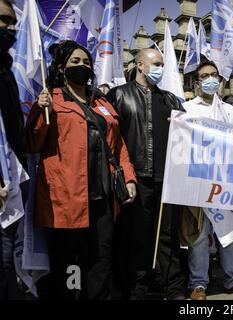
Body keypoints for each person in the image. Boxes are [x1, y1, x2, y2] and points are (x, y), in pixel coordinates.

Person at [26, 40, 137, 299]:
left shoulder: (101, 101)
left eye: (86, 62)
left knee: (101, 258)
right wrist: (42, 114)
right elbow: (32, 143)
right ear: (62, 67)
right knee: (69, 261)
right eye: (75, 62)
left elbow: (118, 146)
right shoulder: (50, 98)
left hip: (103, 196)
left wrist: (129, 178)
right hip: (66, 198)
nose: (82, 66)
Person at [106, 48, 186, 300]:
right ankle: (135, 288)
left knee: (168, 237)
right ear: (140, 65)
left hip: (167, 179)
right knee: (135, 237)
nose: (160, 68)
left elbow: (186, 139)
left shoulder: (171, 100)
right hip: (135, 180)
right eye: (156, 63)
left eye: (162, 64)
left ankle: (173, 287)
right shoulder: (119, 95)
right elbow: (111, 139)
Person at [182, 61, 233, 300]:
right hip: (198, 181)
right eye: (205, 76)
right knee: (200, 235)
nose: (211, 79)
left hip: (227, 181)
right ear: (197, 81)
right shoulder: (187, 108)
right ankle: (199, 284)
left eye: (215, 75)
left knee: (231, 232)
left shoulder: (229, 111)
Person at [0, 0, 27, 300]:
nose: (9, 27)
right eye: (2, 21)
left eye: (11, 21)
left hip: (11, 185)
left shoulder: (6, 72)